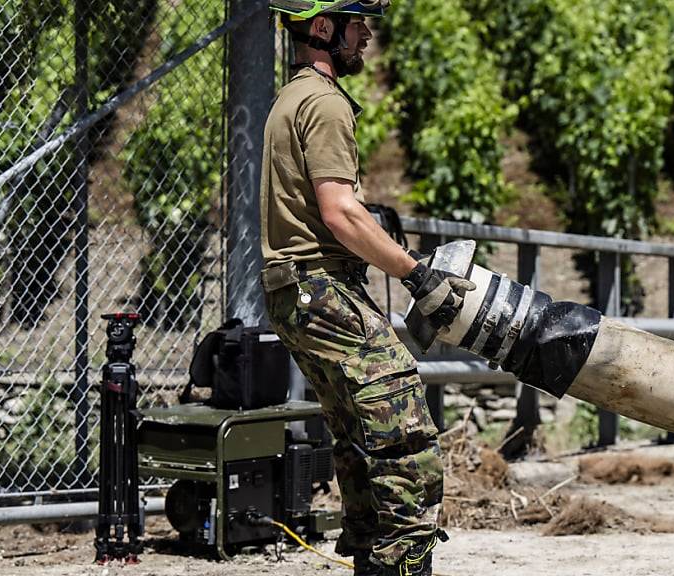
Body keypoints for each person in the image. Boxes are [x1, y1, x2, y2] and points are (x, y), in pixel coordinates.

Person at [260, 2, 476, 574]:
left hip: (295, 293)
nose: (368, 35)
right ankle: (402, 563)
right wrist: (417, 274)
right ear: (324, 28)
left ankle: (371, 556)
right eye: (358, 24)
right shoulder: (326, 104)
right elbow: (341, 214)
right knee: (404, 432)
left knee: (358, 434)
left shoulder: (290, 97)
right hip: (321, 286)